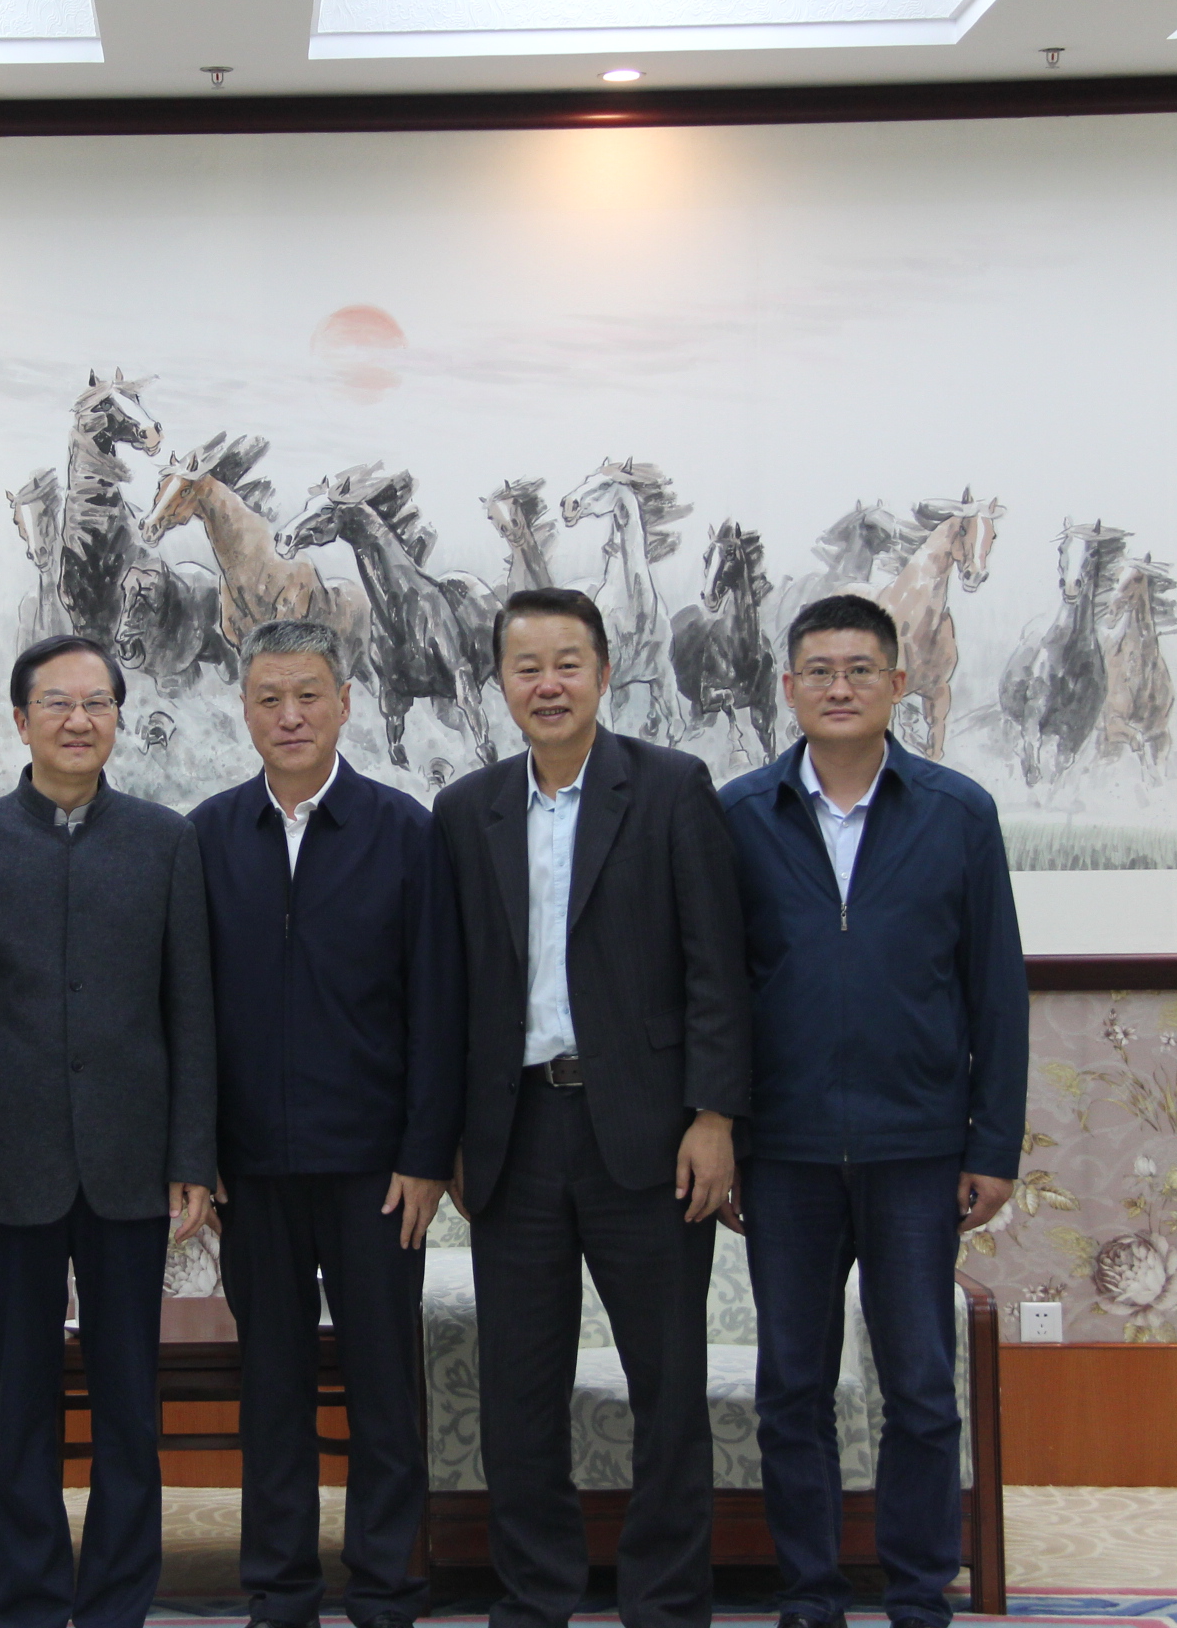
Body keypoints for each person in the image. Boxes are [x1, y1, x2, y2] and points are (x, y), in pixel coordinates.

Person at [431, 587, 751, 1628]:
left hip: (651, 1137)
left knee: (667, 1386)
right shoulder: (465, 811)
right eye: (526, 667)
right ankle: (536, 1596)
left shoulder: (670, 789)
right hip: (514, 1136)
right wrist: (451, 1139)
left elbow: (717, 969)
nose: (548, 684)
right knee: (520, 1394)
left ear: (604, 674)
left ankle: (666, 1601)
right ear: (501, 684)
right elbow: (448, 991)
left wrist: (715, 1117)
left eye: (567, 663)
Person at [716, 593, 1028, 1628]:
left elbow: (996, 990)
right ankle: (809, 1594)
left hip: (916, 1150)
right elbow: (714, 993)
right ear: (789, 687)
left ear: (899, 684)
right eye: (819, 670)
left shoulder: (957, 813)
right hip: (786, 1153)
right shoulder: (739, 815)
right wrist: (727, 1135)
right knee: (792, 1390)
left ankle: (917, 1595)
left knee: (922, 1390)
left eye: (860, 670)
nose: (839, 687)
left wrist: (993, 1144)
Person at [0, 634, 216, 1628]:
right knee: (23, 1410)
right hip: (8, 1171)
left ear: (118, 718)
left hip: (132, 1164)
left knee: (131, 1408)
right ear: (20, 720)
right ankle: (34, 1603)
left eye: (97, 703)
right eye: (57, 703)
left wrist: (191, 1155)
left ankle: (121, 1603)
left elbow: (191, 1012)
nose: (78, 720)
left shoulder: (167, 842)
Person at [186, 619, 464, 1628]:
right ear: (245, 710)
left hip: (377, 1172)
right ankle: (282, 1589)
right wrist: (199, 1152)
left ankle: (387, 1589)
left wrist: (427, 1154)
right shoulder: (207, 836)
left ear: (346, 703)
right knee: (273, 1390)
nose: (290, 715)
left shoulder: (404, 831)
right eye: (269, 698)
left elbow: (440, 1005)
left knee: (385, 1388)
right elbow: (186, 1010)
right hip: (250, 1171)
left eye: (309, 695)